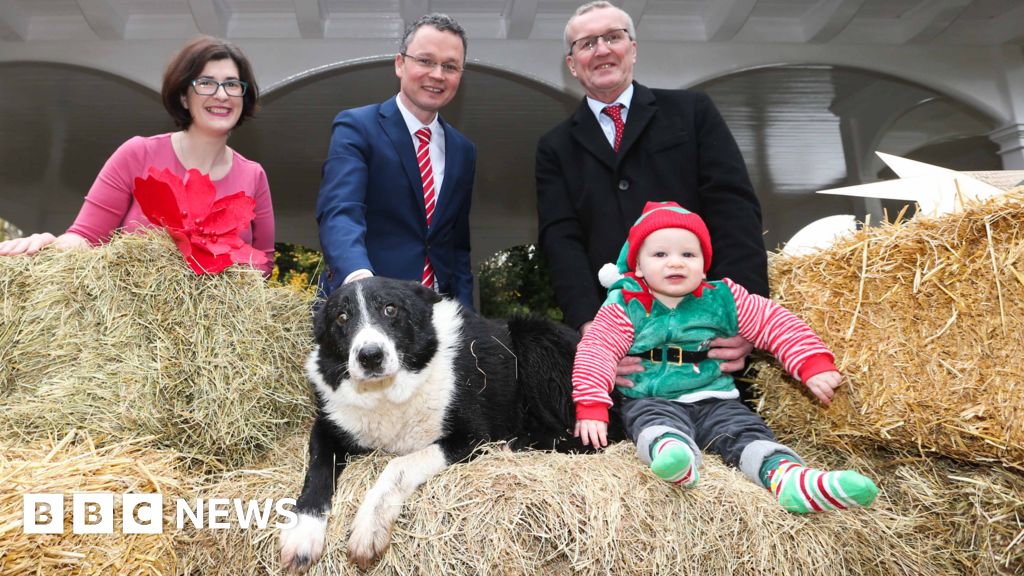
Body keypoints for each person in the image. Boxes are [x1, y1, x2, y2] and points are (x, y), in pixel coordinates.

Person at [572, 201, 878, 513]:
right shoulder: (627, 305)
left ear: (705, 265)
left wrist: (811, 363)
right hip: (653, 399)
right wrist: (592, 405)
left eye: (688, 254)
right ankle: (675, 457)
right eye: (660, 254)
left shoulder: (722, 298)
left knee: (746, 432)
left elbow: (773, 322)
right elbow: (597, 350)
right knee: (652, 425)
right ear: (637, 265)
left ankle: (793, 480)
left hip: (717, 399)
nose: (675, 263)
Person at [536, 1, 767, 379]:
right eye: (587, 43)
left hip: (708, 332)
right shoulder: (554, 147)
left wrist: (746, 315)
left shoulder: (692, 111)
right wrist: (589, 326)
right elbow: (561, 238)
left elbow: (733, 208)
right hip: (623, 337)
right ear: (573, 64)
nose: (602, 50)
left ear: (633, 49)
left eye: (613, 37)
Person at [0, 36, 275, 275]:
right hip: (135, 327)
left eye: (232, 84)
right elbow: (85, 237)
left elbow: (262, 264)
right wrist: (49, 244)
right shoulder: (138, 154)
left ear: (243, 95)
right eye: (206, 83)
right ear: (183, 97)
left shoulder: (254, 175)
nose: (221, 94)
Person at [316, 13, 476, 308]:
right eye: (426, 61)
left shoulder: (464, 151)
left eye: (450, 66)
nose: (438, 74)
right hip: (366, 309)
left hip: (438, 321)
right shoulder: (357, 126)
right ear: (400, 64)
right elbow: (340, 211)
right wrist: (359, 279)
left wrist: (467, 320)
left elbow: (457, 248)